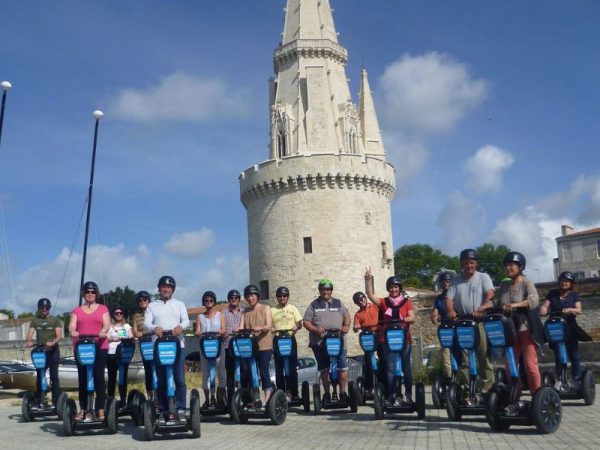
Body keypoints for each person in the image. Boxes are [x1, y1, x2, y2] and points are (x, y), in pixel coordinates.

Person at [444, 248, 495, 395]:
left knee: (483, 355)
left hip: (479, 321)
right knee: (465, 357)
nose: (469, 266)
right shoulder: (455, 281)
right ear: (461, 264)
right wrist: (451, 312)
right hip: (463, 322)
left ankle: (487, 388)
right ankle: (469, 388)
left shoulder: (483, 277)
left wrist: (483, 306)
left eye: (471, 263)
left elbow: (490, 294)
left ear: (476, 263)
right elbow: (448, 299)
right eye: (466, 263)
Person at [495, 251, 543, 403]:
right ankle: (516, 395)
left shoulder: (526, 282)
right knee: (510, 364)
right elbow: (497, 302)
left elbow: (534, 300)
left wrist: (514, 305)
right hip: (510, 330)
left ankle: (537, 396)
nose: (508, 268)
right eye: (506, 265)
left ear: (520, 266)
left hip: (526, 329)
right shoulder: (504, 285)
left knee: (530, 364)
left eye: (511, 265)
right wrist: (483, 307)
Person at [365, 269, 415, 405]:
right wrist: (368, 280)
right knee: (391, 367)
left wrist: (407, 318)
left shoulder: (406, 302)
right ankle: (392, 394)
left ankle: (408, 395)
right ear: (388, 289)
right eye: (391, 287)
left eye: (396, 287)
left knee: (406, 368)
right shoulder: (384, 302)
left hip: (404, 340)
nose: (394, 289)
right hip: (388, 340)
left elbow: (412, 315)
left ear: (400, 289)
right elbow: (370, 295)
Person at [144, 275, 190, 422]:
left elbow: (186, 321)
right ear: (159, 288)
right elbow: (146, 323)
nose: (166, 289)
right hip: (159, 346)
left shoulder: (179, 304)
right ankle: (164, 409)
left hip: (177, 345)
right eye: (163, 286)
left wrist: (180, 327)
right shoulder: (152, 305)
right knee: (162, 381)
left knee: (179, 379)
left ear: (173, 289)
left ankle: (181, 408)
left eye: (169, 287)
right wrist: (154, 327)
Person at [303, 278, 351, 403]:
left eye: (328, 289)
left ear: (331, 290)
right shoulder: (314, 305)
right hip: (320, 342)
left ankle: (342, 392)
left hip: (338, 341)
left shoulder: (338, 303)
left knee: (342, 368)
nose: (326, 292)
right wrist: (316, 329)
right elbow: (306, 322)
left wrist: (346, 326)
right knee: (324, 369)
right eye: (323, 289)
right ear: (319, 290)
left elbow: (347, 316)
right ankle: (327, 394)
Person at [68, 281, 110, 421]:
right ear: (83, 294)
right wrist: (73, 332)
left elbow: (107, 324)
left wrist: (104, 331)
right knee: (83, 379)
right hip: (82, 347)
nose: (90, 294)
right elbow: (71, 326)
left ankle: (100, 409)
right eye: (87, 292)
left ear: (96, 293)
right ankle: (84, 409)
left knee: (99, 377)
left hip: (99, 346)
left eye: (92, 292)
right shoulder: (77, 310)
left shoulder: (102, 308)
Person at [540, 271, 588, 389]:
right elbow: (546, 305)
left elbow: (579, 310)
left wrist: (569, 309)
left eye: (566, 281)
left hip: (570, 328)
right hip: (556, 328)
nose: (564, 283)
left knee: (574, 354)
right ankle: (561, 380)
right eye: (562, 281)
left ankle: (576, 380)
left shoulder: (574, 295)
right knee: (558, 355)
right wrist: (543, 309)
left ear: (571, 283)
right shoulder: (552, 293)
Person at [240, 284, 274, 406]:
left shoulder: (265, 308)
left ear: (257, 296)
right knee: (250, 373)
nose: (250, 298)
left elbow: (269, 325)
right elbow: (241, 328)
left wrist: (262, 328)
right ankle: (254, 399)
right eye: (248, 296)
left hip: (264, 345)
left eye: (252, 295)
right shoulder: (244, 313)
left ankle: (267, 399)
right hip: (249, 347)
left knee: (263, 371)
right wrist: (237, 331)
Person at [25, 298, 62, 406]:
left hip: (53, 351)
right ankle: (39, 400)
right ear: (39, 308)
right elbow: (29, 335)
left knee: (54, 376)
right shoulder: (35, 320)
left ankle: (56, 401)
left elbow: (59, 336)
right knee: (40, 376)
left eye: (47, 307)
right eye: (42, 308)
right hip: (40, 351)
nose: (45, 309)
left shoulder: (55, 320)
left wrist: (53, 342)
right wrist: (29, 341)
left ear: (49, 308)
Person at [195, 290, 226, 408]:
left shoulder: (220, 315)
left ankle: (219, 399)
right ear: (204, 302)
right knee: (206, 374)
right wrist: (198, 333)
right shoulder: (200, 317)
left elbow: (224, 329)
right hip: (205, 347)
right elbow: (197, 330)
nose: (208, 302)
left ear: (214, 302)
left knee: (221, 373)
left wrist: (220, 331)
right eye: (206, 300)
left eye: (211, 300)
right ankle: (208, 399)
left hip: (218, 346)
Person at [271, 286, 303, 401]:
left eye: (284, 296)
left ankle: (294, 393)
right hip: (278, 339)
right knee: (279, 368)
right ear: (277, 298)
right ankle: (281, 393)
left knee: (292, 367)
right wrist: (272, 328)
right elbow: (269, 323)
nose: (282, 298)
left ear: (288, 297)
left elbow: (300, 323)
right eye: (280, 296)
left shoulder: (293, 308)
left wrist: (296, 327)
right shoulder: (272, 310)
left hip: (290, 338)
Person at [352, 290, 380, 393]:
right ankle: (369, 387)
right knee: (368, 362)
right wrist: (356, 327)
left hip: (378, 334)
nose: (361, 301)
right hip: (368, 338)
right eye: (358, 301)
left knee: (384, 358)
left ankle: (383, 383)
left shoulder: (375, 307)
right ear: (356, 303)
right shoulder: (358, 314)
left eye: (362, 298)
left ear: (365, 297)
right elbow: (355, 327)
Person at [106, 305, 133, 408]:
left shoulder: (126, 326)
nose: (118, 315)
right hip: (111, 354)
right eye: (116, 313)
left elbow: (130, 336)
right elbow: (107, 339)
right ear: (113, 315)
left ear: (123, 314)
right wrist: (114, 339)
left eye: (120, 313)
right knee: (111, 377)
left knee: (123, 377)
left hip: (123, 354)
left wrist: (125, 338)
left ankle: (123, 400)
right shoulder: (109, 326)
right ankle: (111, 399)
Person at [431, 272, 454, 380]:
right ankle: (450, 380)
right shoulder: (439, 298)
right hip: (445, 329)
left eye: (448, 281)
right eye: (443, 281)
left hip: (457, 328)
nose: (445, 283)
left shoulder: (457, 295)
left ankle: (464, 380)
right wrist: (435, 316)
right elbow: (434, 313)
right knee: (446, 357)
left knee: (463, 355)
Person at [221, 289, 244, 397]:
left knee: (244, 373)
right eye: (232, 298)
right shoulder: (223, 313)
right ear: (229, 299)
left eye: (236, 298)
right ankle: (231, 400)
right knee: (230, 375)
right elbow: (220, 328)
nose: (234, 299)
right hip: (228, 347)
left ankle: (245, 398)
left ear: (239, 299)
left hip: (242, 347)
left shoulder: (244, 312)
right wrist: (222, 333)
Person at [131, 290, 153, 400]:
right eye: (140, 300)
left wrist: (143, 333)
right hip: (144, 345)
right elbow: (135, 331)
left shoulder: (154, 312)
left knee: (156, 369)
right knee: (148, 370)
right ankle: (150, 397)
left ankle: (159, 397)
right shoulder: (136, 315)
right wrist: (139, 333)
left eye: (144, 299)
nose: (142, 301)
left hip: (154, 343)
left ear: (148, 300)